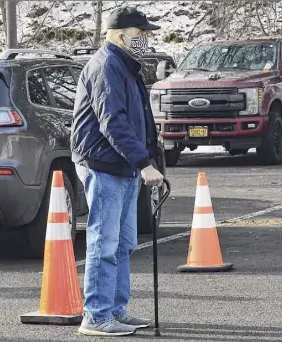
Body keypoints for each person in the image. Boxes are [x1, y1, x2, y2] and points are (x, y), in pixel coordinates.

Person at [70, 6, 164, 337]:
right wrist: (144, 163)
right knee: (104, 243)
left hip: (121, 164)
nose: (146, 40)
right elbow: (113, 122)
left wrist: (149, 157)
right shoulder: (106, 66)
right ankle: (95, 316)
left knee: (123, 243)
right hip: (104, 164)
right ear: (121, 35)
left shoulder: (125, 66)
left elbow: (139, 121)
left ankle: (115, 309)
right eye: (141, 34)